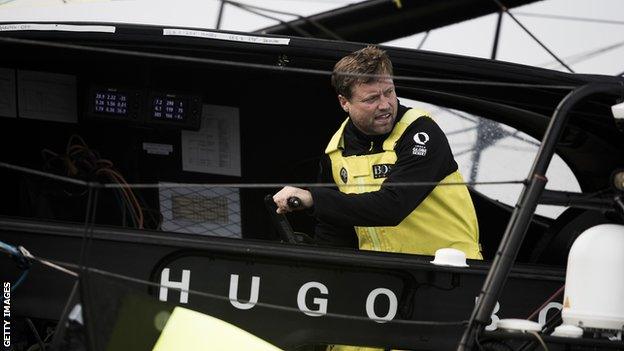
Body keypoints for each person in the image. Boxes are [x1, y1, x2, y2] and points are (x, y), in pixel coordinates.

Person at [273, 46, 481, 260]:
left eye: (389, 92)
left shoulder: (421, 131)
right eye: (371, 99)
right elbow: (334, 230)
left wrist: (313, 198)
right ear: (344, 102)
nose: (385, 105)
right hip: (384, 278)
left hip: (450, 275)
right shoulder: (336, 151)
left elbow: (393, 206)